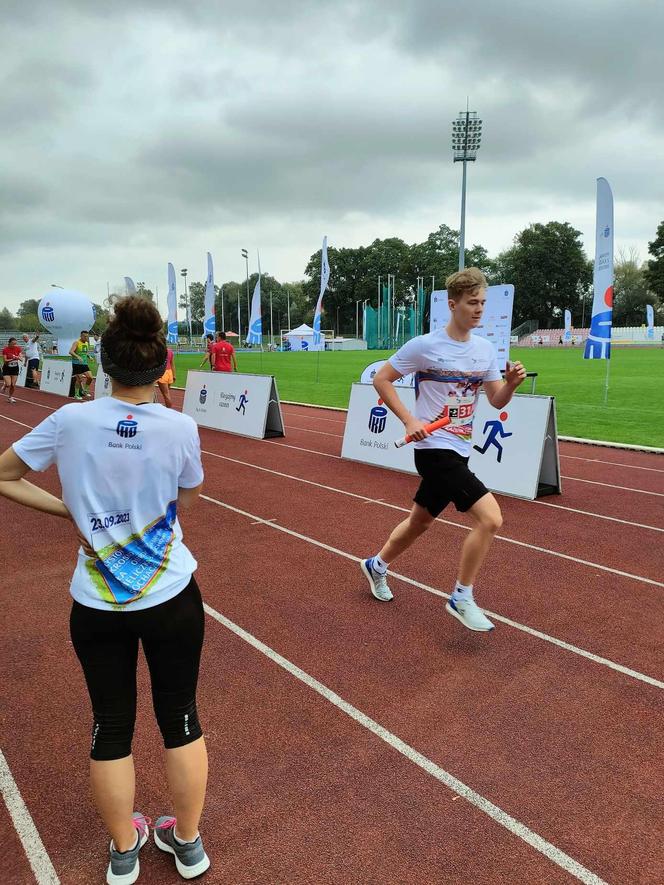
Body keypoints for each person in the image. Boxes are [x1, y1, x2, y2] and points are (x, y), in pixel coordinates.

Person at [0, 296, 210, 883]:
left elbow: (3, 475)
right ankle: (187, 844)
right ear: (162, 364)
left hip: (96, 601)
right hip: (170, 595)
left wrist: (70, 511)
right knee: (182, 718)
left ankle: (124, 853)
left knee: (110, 724)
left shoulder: (70, 420)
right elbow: (187, 499)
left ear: (105, 364)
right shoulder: (181, 426)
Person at [360, 267, 526, 632]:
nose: (479, 309)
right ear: (453, 304)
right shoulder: (424, 346)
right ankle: (461, 596)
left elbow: (497, 400)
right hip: (433, 448)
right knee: (491, 519)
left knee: (420, 521)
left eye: (483, 302)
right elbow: (381, 379)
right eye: (472, 303)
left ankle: (376, 565)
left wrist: (511, 384)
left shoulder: (485, 349)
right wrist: (408, 420)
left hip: (460, 447)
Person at [69, 330, 94, 399]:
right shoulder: (76, 343)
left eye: (87, 336)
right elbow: (71, 352)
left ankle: (84, 390)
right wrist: (77, 356)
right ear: (81, 336)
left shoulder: (86, 343)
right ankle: (76, 394)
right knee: (79, 379)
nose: (86, 338)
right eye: (85, 336)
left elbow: (85, 352)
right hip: (76, 363)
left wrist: (89, 356)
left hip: (84, 363)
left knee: (90, 377)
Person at [2, 337, 25, 403]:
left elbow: (21, 358)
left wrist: (19, 357)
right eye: (13, 344)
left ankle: (10, 397)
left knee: (13, 385)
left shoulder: (18, 349)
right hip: (7, 368)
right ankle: (5, 385)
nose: (14, 345)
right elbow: (5, 360)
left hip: (15, 368)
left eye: (15, 344)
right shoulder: (5, 350)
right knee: (8, 384)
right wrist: (13, 358)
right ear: (9, 343)